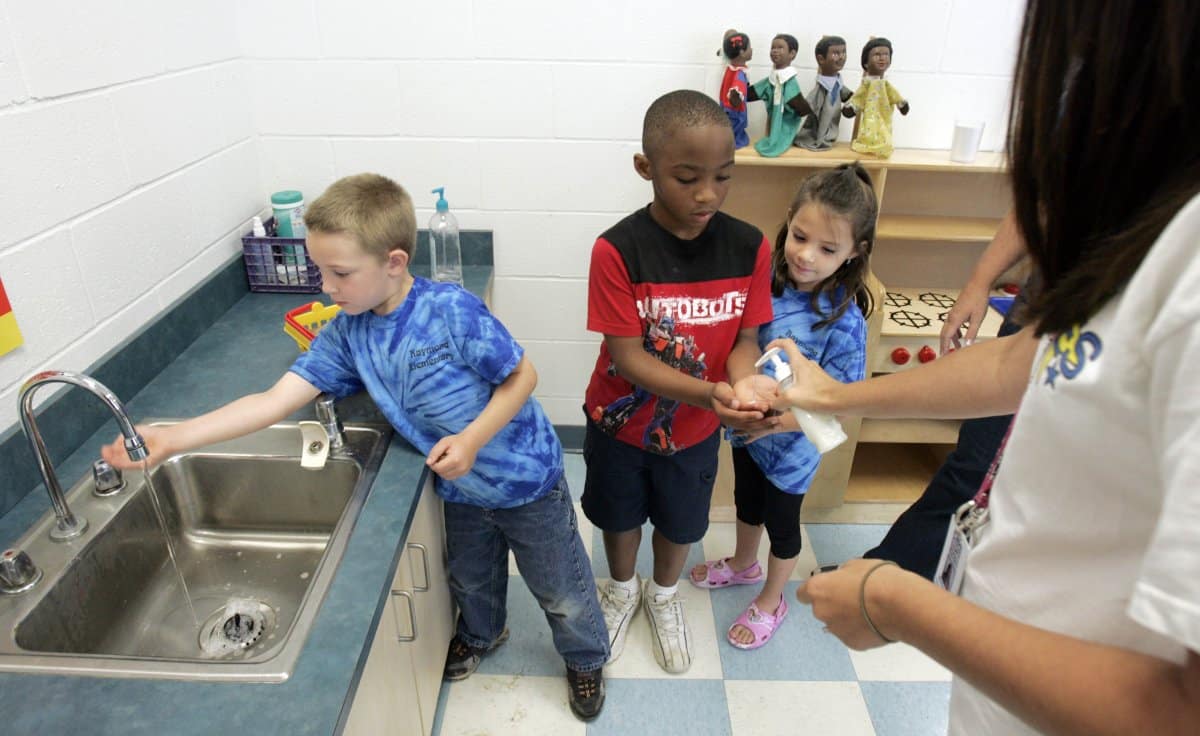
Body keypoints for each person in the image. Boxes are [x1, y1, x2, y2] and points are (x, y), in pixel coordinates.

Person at [774, 2, 1200, 733]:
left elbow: (1174, 707)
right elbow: (1032, 357)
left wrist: (900, 603)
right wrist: (839, 396)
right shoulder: (1155, 227)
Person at [101, 174, 610, 722]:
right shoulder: (348, 333)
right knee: (471, 576)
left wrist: (470, 440)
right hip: (461, 487)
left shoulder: (450, 312)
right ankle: (484, 633)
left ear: (393, 262)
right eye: (322, 271)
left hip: (525, 479)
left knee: (560, 585)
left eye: (340, 273)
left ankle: (584, 655)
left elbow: (523, 377)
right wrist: (173, 439)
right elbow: (274, 400)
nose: (326, 287)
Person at [583, 89, 776, 674]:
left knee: (680, 522)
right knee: (618, 516)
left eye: (723, 176)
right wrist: (711, 395)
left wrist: (742, 388)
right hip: (619, 422)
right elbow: (628, 355)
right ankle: (621, 589)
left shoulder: (750, 246)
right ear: (646, 169)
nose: (708, 195)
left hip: (693, 432)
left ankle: (662, 596)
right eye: (688, 178)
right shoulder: (617, 249)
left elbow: (746, 340)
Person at [689, 163, 877, 650]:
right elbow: (744, 342)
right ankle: (742, 564)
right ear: (788, 220)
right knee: (747, 504)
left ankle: (772, 599)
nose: (806, 256)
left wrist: (776, 426)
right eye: (799, 236)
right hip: (751, 434)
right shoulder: (769, 281)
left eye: (827, 249)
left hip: (792, 450)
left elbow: (843, 404)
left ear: (855, 252)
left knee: (782, 523)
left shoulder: (845, 319)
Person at [861, 212, 1028, 578]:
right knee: (975, 464)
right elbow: (1000, 371)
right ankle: (883, 574)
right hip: (1049, 311)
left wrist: (836, 398)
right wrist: (980, 282)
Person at [747, 34, 814, 157]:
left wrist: (802, 108)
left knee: (778, 140)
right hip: (773, 122)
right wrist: (743, 92)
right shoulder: (772, 78)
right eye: (773, 47)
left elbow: (800, 106)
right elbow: (759, 89)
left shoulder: (788, 80)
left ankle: (777, 141)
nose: (775, 51)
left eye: (780, 47)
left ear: (792, 54)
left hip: (785, 123)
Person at [843, 37, 909, 158]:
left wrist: (901, 104)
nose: (882, 58)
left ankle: (882, 146)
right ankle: (868, 144)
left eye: (886, 54)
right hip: (870, 118)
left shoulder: (886, 85)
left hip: (884, 118)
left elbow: (895, 95)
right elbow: (859, 97)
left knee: (884, 133)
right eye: (877, 54)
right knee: (869, 132)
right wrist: (852, 108)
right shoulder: (867, 84)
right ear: (866, 63)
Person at [793, 35, 853, 151]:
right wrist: (799, 108)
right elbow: (809, 102)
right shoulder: (821, 87)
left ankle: (825, 138)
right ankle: (819, 140)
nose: (841, 57)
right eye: (836, 54)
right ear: (821, 59)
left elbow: (846, 94)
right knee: (819, 124)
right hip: (819, 126)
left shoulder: (838, 83)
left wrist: (854, 100)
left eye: (844, 53)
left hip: (832, 127)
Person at [717, 29, 752, 149]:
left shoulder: (730, 68)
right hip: (735, 110)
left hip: (725, 106)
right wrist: (735, 97)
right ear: (742, 52)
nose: (752, 50)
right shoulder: (739, 74)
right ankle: (734, 141)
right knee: (737, 125)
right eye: (749, 47)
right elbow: (738, 89)